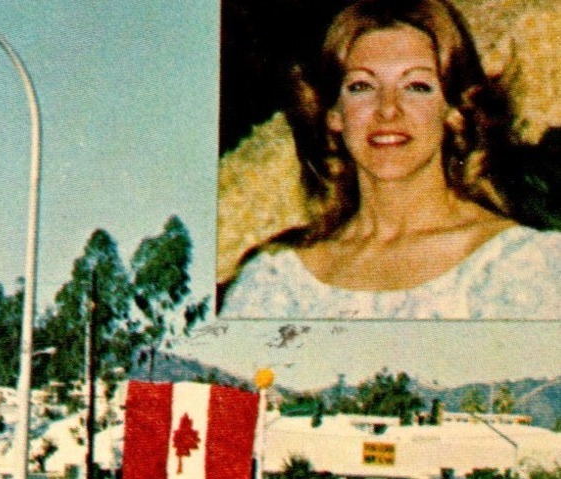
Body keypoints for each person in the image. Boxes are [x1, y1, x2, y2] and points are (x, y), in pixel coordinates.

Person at [220, 0, 561, 320]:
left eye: (416, 86)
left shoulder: (523, 265)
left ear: (455, 112)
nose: (387, 109)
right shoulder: (276, 283)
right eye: (362, 86)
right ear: (334, 114)